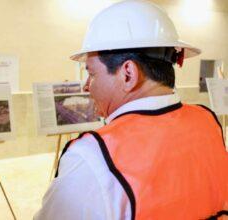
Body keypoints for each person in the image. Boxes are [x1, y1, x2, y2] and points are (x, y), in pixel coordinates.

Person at [34, 0, 228, 219]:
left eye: (92, 73)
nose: (87, 85)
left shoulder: (93, 155)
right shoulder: (208, 122)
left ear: (128, 73)